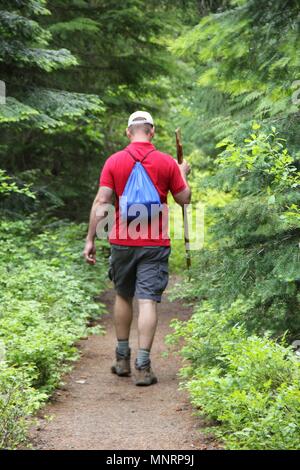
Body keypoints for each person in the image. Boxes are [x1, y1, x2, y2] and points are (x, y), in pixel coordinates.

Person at [83, 111, 191, 386]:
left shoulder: (114, 161)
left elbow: (102, 201)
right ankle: (143, 365)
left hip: (121, 239)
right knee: (147, 301)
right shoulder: (166, 162)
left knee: (122, 295)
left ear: (128, 132)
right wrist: (182, 174)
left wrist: (91, 239)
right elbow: (184, 199)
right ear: (152, 132)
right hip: (154, 242)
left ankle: (122, 359)